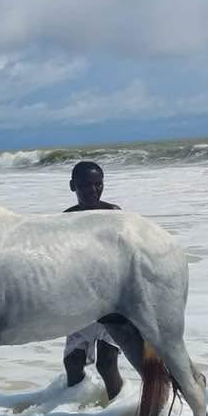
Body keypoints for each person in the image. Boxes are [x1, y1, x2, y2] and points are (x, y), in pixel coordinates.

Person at [61, 161, 123, 400]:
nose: (93, 191)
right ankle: (70, 414)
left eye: (98, 184)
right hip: (81, 300)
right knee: (73, 362)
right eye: (85, 185)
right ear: (72, 186)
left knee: (107, 362)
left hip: (112, 301)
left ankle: (117, 411)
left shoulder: (114, 214)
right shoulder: (65, 219)